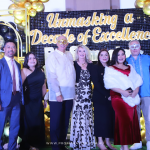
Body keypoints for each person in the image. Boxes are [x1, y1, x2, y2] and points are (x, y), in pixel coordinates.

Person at [104, 48, 142, 150]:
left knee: (129, 121)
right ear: (115, 56)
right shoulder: (110, 68)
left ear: (125, 56)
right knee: (123, 121)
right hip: (118, 98)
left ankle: (123, 146)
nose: (121, 57)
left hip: (132, 98)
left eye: (122, 54)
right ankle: (125, 147)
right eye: (118, 55)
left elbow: (138, 80)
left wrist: (136, 91)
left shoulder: (130, 67)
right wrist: (123, 92)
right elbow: (109, 84)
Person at [45, 35, 76, 150]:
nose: (62, 43)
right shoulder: (52, 57)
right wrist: (58, 93)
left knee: (64, 122)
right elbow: (52, 77)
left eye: (64, 41)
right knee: (55, 123)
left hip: (69, 94)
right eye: (60, 41)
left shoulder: (69, 55)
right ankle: (55, 147)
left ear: (67, 43)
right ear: (56, 43)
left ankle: (62, 146)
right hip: (57, 95)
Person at [70, 44, 95, 150]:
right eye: (79, 51)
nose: (81, 53)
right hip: (77, 95)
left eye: (83, 51)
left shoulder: (91, 65)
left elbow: (94, 80)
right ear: (77, 53)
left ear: (86, 53)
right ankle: (77, 142)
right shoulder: (73, 64)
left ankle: (87, 142)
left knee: (87, 118)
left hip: (88, 95)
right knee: (78, 118)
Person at [19, 52, 46, 150]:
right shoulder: (24, 70)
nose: (32, 60)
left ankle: (36, 144)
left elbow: (43, 86)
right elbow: (20, 86)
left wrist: (45, 99)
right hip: (28, 101)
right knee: (29, 123)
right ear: (26, 61)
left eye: (34, 58)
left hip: (38, 101)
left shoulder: (41, 71)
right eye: (29, 58)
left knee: (38, 122)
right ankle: (29, 145)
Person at [0, 40, 24, 150]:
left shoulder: (18, 64)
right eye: (8, 47)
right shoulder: (0, 63)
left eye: (13, 47)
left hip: (16, 98)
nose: (11, 49)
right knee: (0, 126)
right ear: (4, 49)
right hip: (3, 100)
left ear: (16, 49)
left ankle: (12, 147)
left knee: (15, 126)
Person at [127, 40, 150, 150]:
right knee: (134, 119)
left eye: (136, 46)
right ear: (129, 48)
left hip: (147, 93)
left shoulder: (147, 58)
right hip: (132, 95)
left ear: (140, 47)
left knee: (149, 119)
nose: (135, 48)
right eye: (132, 46)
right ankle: (137, 142)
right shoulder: (126, 61)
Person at [92, 49, 116, 150]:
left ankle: (108, 142)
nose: (104, 57)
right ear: (98, 57)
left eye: (106, 55)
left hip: (111, 98)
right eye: (102, 55)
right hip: (100, 98)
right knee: (100, 120)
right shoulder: (95, 67)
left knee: (109, 120)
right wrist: (107, 95)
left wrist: (112, 95)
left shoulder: (111, 68)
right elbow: (96, 84)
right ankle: (100, 142)